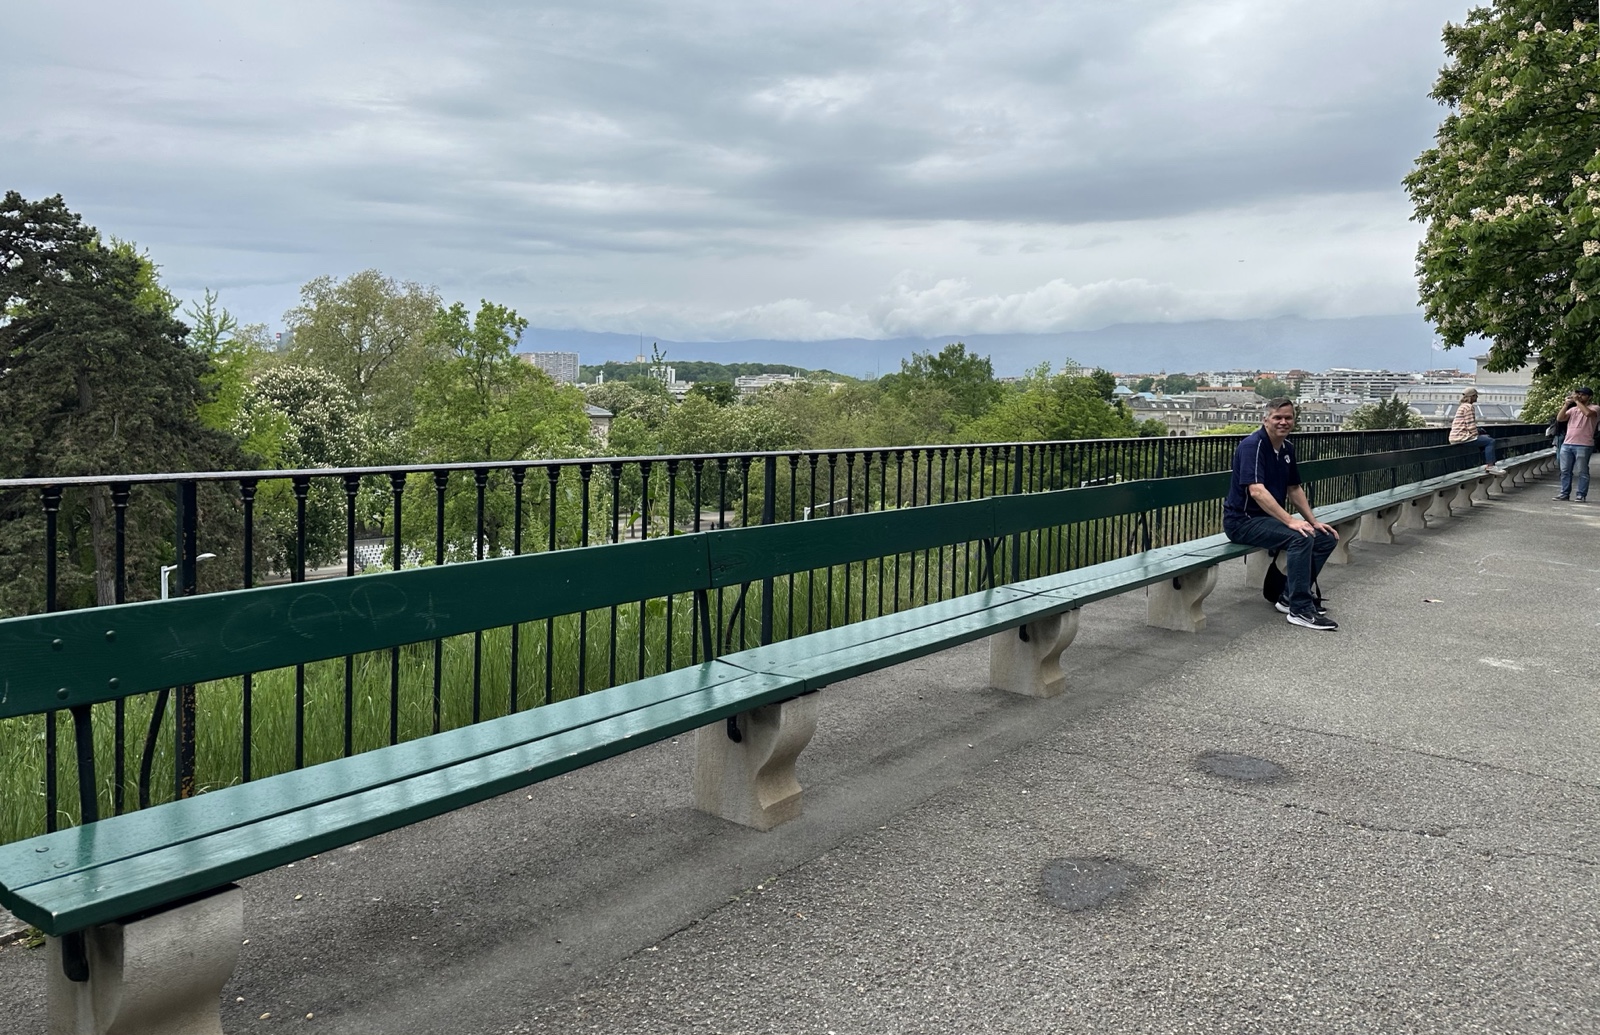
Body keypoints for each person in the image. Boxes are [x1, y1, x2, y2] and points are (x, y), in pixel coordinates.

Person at [1222, 398, 1340, 631]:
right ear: (1265, 420)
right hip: (1242, 522)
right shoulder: (1253, 446)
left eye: (1288, 417)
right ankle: (1300, 609)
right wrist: (1291, 521)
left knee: (1325, 537)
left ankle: (1288, 596)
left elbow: (1294, 488)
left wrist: (1313, 522)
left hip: (1268, 520)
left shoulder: (1287, 448)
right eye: (1277, 417)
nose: (1283, 422)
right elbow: (1256, 491)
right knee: (1300, 537)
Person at [1552, 386, 1597, 502]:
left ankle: (1581, 494)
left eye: (1583, 395)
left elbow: (1587, 413)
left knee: (1582, 471)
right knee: (1565, 471)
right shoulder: (1573, 410)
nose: (1580, 396)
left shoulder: (1595, 408)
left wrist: (1577, 401)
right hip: (1567, 443)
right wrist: (1566, 405)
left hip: (1584, 444)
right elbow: (1560, 418)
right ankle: (1564, 493)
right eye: (1579, 394)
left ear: (1589, 397)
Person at [1448, 388, 1505, 476]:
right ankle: (1490, 466)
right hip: (1462, 437)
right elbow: (1470, 424)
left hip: (1455, 437)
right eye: (1476, 395)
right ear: (1472, 396)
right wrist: (1476, 434)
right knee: (1490, 441)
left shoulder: (1462, 406)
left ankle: (1489, 463)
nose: (1477, 397)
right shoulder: (1469, 407)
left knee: (1485, 439)